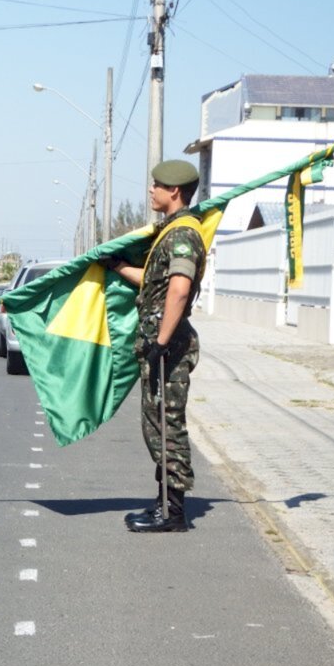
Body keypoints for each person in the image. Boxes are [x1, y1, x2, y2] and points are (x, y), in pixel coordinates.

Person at [109, 160, 205, 533]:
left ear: (174, 192)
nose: (151, 191)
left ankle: (174, 513)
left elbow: (179, 289)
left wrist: (161, 342)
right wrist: (116, 265)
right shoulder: (169, 232)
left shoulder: (183, 234)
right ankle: (163, 502)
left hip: (169, 349)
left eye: (156, 186)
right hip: (160, 346)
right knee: (156, 425)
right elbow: (153, 282)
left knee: (167, 426)